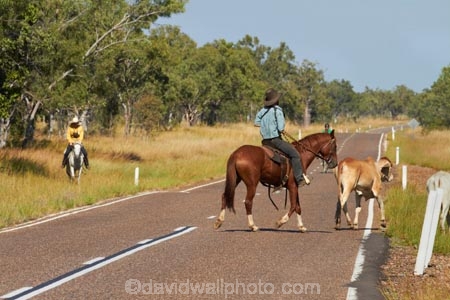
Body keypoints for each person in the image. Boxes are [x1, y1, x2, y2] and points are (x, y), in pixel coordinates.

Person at [254, 88, 310, 186]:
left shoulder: (262, 111)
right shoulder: (278, 111)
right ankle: (299, 179)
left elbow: (256, 123)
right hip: (275, 141)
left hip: (265, 142)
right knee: (295, 154)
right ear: (276, 100)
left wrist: (266, 126)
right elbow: (281, 128)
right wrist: (277, 128)